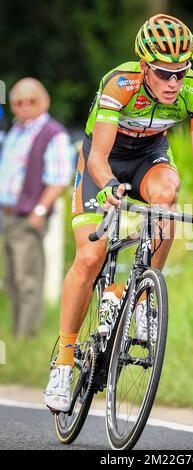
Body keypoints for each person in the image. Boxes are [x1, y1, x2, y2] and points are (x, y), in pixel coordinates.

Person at [44, 13, 193, 412]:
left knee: (167, 195)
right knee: (91, 255)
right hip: (104, 160)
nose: (174, 83)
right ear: (145, 66)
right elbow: (97, 155)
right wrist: (111, 185)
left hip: (149, 156)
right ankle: (63, 358)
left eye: (181, 73)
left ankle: (143, 292)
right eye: (164, 74)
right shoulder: (119, 83)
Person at [0, 78, 75, 338]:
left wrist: (40, 210)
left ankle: (26, 336)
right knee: (11, 280)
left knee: (27, 278)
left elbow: (60, 178)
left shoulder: (51, 133)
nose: (25, 107)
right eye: (18, 102)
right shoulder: (15, 131)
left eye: (31, 101)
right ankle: (17, 334)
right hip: (8, 215)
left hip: (28, 216)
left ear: (44, 101)